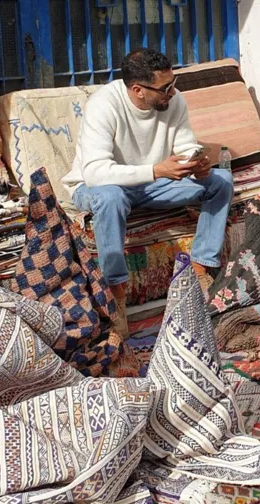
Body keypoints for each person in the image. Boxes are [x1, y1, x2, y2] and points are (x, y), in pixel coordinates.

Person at [64, 49, 233, 331]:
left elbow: (184, 142)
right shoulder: (104, 105)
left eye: (173, 82)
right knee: (111, 196)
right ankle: (116, 294)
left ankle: (201, 268)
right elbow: (94, 173)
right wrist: (156, 170)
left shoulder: (173, 101)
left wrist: (195, 161)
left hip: (151, 184)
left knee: (221, 181)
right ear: (138, 90)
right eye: (165, 87)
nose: (173, 91)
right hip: (98, 188)